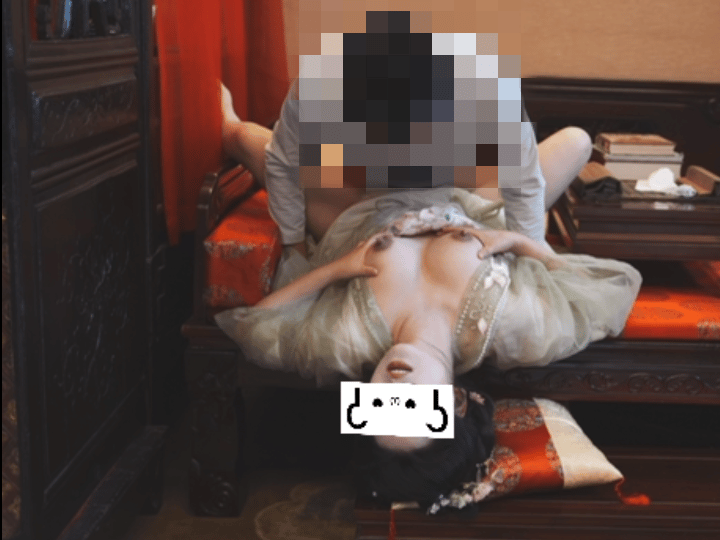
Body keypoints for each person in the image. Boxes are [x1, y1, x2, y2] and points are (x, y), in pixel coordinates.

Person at [216, 81, 642, 510]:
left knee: (246, 139)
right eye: (411, 405)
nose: (396, 385)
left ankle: (227, 119)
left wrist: (338, 267)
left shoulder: (348, 341)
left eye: (382, 405)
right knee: (576, 142)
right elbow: (592, 280)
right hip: (471, 198)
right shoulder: (513, 327)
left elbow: (259, 319)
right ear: (455, 402)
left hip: (361, 206)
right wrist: (518, 241)